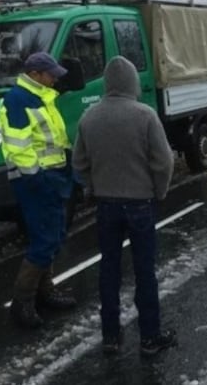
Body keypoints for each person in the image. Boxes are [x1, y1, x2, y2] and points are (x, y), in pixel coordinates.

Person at [72, 56, 177, 356]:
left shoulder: (89, 117)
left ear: (106, 84)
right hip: (140, 204)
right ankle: (149, 337)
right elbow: (164, 161)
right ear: (132, 82)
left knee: (109, 270)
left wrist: (93, 186)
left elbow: (79, 162)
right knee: (145, 271)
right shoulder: (145, 116)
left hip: (106, 206)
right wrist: (159, 190)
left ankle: (111, 336)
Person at [0, 52, 77, 329]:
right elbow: (19, 148)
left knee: (53, 236)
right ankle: (23, 304)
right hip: (35, 181)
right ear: (35, 75)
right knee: (44, 240)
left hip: (52, 177)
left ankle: (45, 291)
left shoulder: (42, 96)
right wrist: (39, 180)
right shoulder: (19, 100)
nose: (55, 78)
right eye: (50, 74)